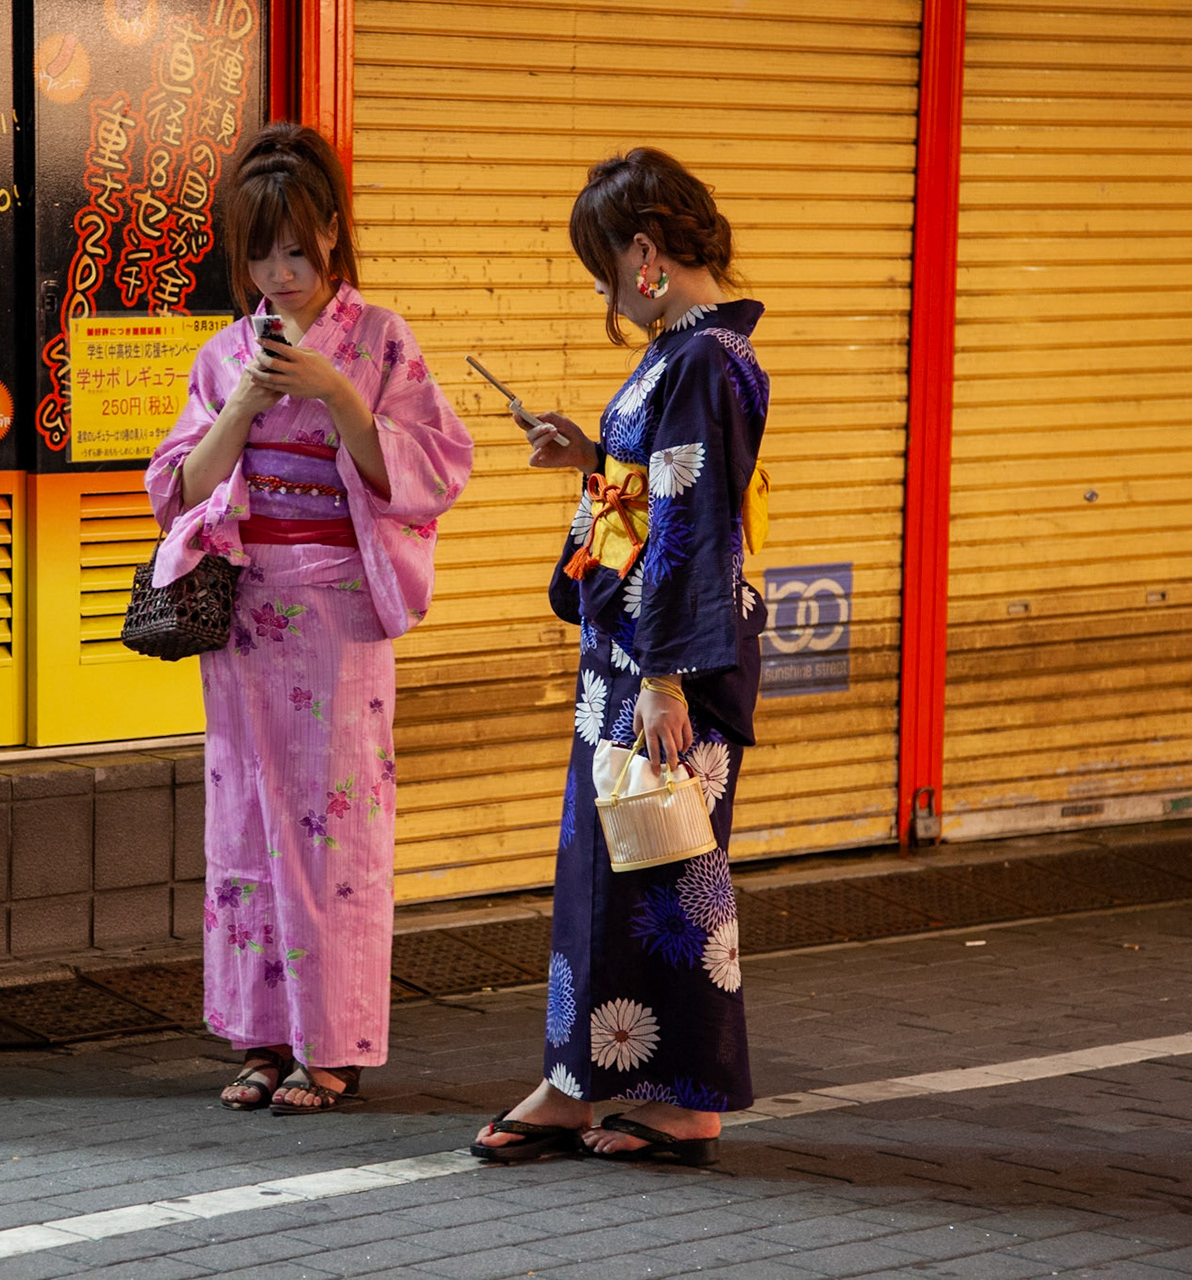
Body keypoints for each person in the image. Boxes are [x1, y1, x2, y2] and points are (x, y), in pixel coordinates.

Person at [145, 123, 473, 1116]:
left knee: (334, 830)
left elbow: (430, 473)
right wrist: (242, 404)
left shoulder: (381, 343)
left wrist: (338, 394)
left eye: (295, 247)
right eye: (258, 252)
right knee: (246, 821)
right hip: (245, 616)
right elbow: (178, 489)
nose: (278, 273)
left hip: (336, 612)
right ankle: (259, 1034)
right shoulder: (222, 355)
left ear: (332, 234)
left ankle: (330, 1043)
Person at [473, 148, 770, 1164]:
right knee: (624, 873)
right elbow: (659, 490)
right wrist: (593, 456)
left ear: (647, 254)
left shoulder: (698, 363)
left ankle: (666, 1096)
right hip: (644, 653)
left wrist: (663, 675)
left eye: (605, 270)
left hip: (661, 665)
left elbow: (692, 520)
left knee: (667, 869)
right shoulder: (693, 355)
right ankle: (588, 1078)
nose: (608, 292)